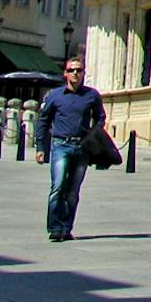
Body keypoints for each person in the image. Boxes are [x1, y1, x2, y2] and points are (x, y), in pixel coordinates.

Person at [34, 57, 104, 242]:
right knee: (57, 187)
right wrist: (41, 147)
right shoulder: (55, 96)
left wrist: (93, 138)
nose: (75, 73)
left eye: (79, 70)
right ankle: (55, 228)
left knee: (73, 191)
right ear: (65, 73)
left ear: (83, 73)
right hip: (60, 145)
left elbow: (100, 119)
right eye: (71, 70)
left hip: (81, 148)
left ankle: (66, 227)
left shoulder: (92, 95)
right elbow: (43, 121)